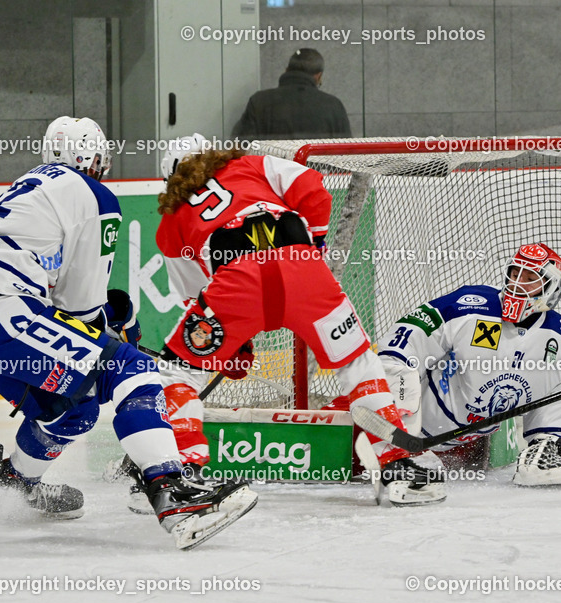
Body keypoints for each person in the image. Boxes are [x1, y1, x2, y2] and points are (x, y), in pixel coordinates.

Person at [0, 116, 257, 549]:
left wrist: (108, 326)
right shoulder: (93, 194)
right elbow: (80, 305)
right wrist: (119, 335)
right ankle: (172, 491)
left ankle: (17, 484)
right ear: (95, 158)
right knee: (130, 367)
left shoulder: (33, 185)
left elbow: (68, 306)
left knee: (74, 407)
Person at [150, 135, 445, 506]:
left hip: (237, 284)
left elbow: (199, 295)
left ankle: (184, 475)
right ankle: (396, 466)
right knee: (357, 363)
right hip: (304, 271)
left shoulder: (172, 220)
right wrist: (315, 248)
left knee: (178, 373)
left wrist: (235, 345)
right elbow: (313, 188)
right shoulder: (252, 165)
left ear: (169, 178)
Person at [370, 243, 561, 487]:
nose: (518, 283)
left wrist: (550, 441)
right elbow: (405, 341)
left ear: (552, 288)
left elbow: (556, 404)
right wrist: (392, 403)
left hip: (465, 447)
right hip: (399, 434)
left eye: (530, 278)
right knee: (394, 373)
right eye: (515, 273)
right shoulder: (470, 305)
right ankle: (394, 450)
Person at [232, 48, 352, 140]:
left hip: (273, 172)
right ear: (318, 76)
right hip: (317, 173)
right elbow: (346, 153)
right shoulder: (333, 106)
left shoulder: (259, 101)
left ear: (286, 70)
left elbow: (243, 147)